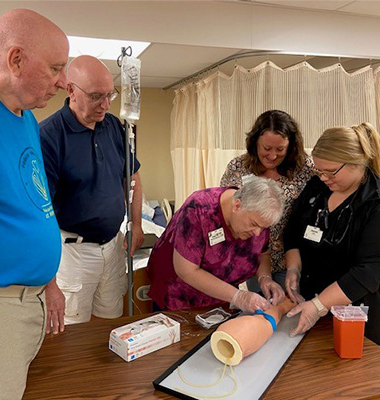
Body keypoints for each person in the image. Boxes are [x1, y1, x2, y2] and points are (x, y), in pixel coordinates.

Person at [0, 9, 69, 400]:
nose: (64, 83)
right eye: (56, 68)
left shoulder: (27, 118)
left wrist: (48, 281)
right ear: (16, 60)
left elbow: (33, 201)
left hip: (27, 299)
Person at [40, 55, 144, 325]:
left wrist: (137, 224)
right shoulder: (49, 136)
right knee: (72, 332)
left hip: (112, 246)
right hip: (74, 253)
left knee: (111, 322)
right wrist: (49, 280)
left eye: (110, 94)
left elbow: (132, 176)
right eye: (97, 96)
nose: (106, 105)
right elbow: (41, 212)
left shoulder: (114, 127)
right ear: (71, 90)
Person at [284, 123, 380, 345]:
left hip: (354, 311)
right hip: (310, 300)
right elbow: (293, 230)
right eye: (319, 171)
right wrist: (293, 268)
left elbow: (370, 270)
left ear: (357, 162)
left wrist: (319, 305)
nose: (324, 178)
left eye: (331, 171)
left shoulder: (374, 202)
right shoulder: (317, 186)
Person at [147, 175, 285, 312]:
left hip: (223, 296)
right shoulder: (199, 210)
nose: (257, 233)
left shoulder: (259, 218)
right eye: (253, 225)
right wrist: (239, 297)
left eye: (263, 228)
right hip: (179, 296)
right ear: (237, 206)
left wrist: (265, 278)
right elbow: (186, 271)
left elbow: (263, 252)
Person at [221, 110, 314, 290]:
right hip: (253, 257)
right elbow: (226, 211)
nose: (272, 156)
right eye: (266, 149)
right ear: (255, 142)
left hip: (292, 257)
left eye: (280, 149)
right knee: (261, 307)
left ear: (291, 146)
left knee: (289, 307)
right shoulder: (238, 167)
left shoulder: (304, 168)